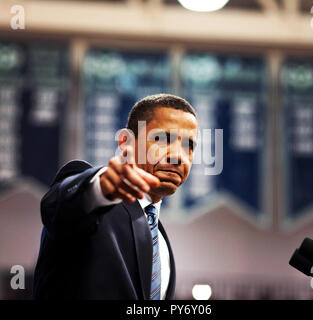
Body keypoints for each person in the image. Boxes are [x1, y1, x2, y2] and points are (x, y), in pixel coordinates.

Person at [33, 93, 198, 299]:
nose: (178, 156)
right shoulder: (94, 201)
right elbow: (58, 208)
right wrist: (100, 189)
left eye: (188, 146)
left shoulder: (160, 240)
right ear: (125, 142)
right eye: (162, 139)